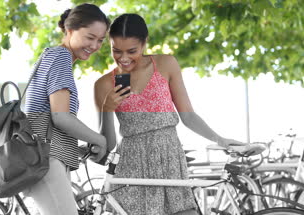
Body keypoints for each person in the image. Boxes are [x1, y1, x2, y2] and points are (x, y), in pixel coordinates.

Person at [94, 13, 246, 215]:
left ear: (145, 43)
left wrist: (220, 139)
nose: (124, 58)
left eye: (132, 51)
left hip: (169, 156)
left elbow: (188, 116)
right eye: (116, 51)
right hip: (131, 163)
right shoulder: (103, 84)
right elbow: (109, 144)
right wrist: (107, 108)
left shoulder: (166, 65)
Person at [23, 4, 110, 215]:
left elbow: (47, 120)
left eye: (100, 40)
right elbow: (60, 117)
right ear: (69, 30)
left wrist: (77, 147)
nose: (95, 45)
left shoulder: (50, 56)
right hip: (46, 162)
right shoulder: (60, 57)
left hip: (43, 159)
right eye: (90, 37)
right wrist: (100, 140)